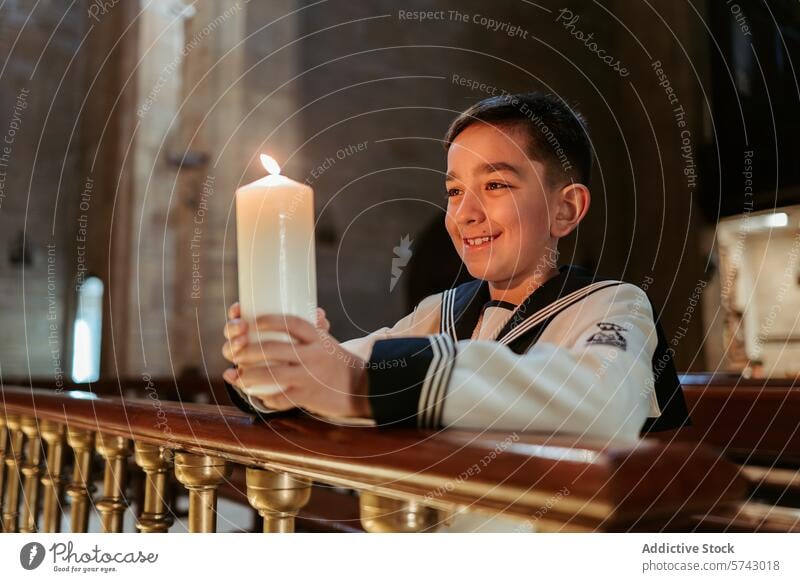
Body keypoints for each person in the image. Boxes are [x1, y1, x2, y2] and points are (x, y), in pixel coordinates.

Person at [221, 92, 690, 443]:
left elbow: (600, 402)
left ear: (565, 209)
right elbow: (350, 364)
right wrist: (281, 368)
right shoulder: (439, 312)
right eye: (453, 191)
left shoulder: (614, 304)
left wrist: (360, 383)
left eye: (496, 184)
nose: (464, 212)